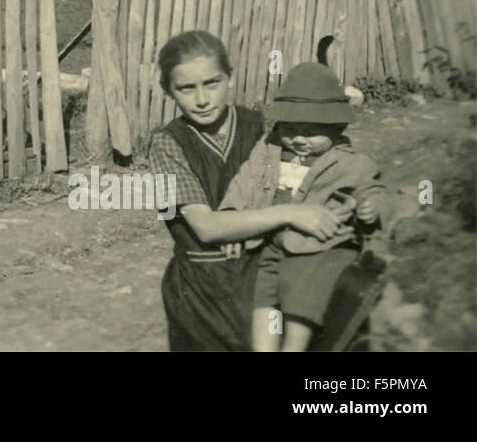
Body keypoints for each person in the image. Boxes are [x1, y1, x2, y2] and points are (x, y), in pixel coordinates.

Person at [147, 30, 344, 351]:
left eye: (212, 83)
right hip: (202, 293)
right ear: (168, 91)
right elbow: (207, 227)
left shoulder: (262, 128)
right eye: (186, 88)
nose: (201, 99)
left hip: (264, 272)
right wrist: (287, 213)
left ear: (230, 79)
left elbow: (298, 184)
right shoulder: (167, 144)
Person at [218, 62, 387, 351]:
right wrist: (232, 215)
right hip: (271, 244)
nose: (298, 138)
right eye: (291, 128)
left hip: (317, 247)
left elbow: (375, 189)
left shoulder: (350, 162)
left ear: (336, 127)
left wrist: (372, 206)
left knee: (302, 296)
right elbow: (244, 181)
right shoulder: (269, 150)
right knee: (263, 296)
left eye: (310, 131)